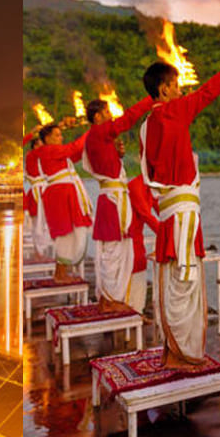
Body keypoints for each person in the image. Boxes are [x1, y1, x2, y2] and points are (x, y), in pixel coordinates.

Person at [140, 42, 220, 368]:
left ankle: (173, 350)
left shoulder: (145, 125)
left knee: (172, 283)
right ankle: (183, 354)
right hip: (181, 217)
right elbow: (209, 91)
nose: (180, 92)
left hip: (170, 215)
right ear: (165, 90)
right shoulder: (172, 113)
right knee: (186, 284)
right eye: (176, 86)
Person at [82, 96, 153, 312]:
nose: (110, 115)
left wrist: (116, 154)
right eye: (106, 112)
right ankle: (109, 300)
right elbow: (129, 118)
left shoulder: (97, 137)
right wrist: (151, 98)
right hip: (112, 201)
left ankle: (109, 298)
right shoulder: (98, 132)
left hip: (111, 198)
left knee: (113, 251)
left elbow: (107, 165)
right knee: (112, 251)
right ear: (97, 117)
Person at [35, 117, 91, 281]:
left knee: (69, 231)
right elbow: (74, 147)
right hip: (59, 194)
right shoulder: (48, 150)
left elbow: (77, 152)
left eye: (61, 135)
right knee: (64, 232)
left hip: (64, 192)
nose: (61, 138)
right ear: (48, 139)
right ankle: (60, 273)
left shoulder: (56, 153)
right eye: (58, 135)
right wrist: (93, 130)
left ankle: (61, 271)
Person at [126, 171, 159, 314]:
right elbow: (146, 215)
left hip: (136, 236)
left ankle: (137, 312)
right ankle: (127, 313)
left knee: (141, 266)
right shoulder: (136, 186)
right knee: (131, 268)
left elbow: (163, 211)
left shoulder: (153, 188)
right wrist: (168, 237)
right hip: (125, 236)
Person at [23, 128, 53, 260]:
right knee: (37, 223)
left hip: (46, 191)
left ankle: (43, 250)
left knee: (47, 223)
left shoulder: (44, 157)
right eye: (41, 145)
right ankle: (39, 251)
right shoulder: (31, 156)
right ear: (35, 146)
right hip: (37, 192)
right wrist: (31, 134)